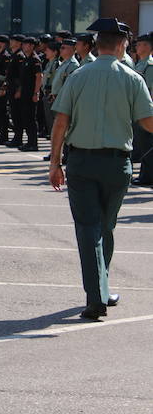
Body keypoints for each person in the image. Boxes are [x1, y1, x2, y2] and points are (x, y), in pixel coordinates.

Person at [49, 18, 153, 320]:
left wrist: (55, 163)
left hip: (82, 161)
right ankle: (102, 290)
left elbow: (60, 122)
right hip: (117, 163)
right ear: (122, 45)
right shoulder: (132, 78)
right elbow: (148, 121)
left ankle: (96, 296)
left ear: (97, 44)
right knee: (105, 227)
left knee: (89, 228)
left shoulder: (79, 76)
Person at [15, 36, 43, 152]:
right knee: (25, 118)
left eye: (26, 44)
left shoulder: (35, 59)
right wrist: (20, 90)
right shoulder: (25, 59)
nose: (24, 46)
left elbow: (39, 77)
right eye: (23, 44)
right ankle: (29, 142)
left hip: (31, 93)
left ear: (32, 46)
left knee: (31, 119)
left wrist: (36, 93)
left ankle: (33, 143)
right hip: (25, 93)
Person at [132, 34, 153, 186]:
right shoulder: (140, 64)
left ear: (147, 46)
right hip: (139, 109)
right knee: (142, 143)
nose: (137, 48)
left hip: (146, 110)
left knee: (147, 145)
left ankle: (148, 176)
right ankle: (144, 174)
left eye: (140, 45)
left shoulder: (150, 65)